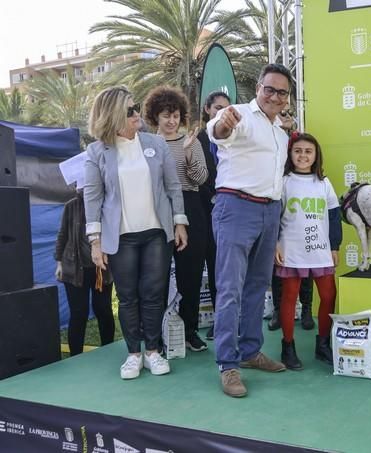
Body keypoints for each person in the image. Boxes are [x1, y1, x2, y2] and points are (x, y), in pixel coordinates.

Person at [84, 86, 188, 379]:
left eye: (136, 107)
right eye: (130, 110)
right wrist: (95, 241)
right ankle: (133, 354)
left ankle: (153, 352)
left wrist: (179, 223)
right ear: (113, 115)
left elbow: (172, 186)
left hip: (157, 232)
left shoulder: (156, 143)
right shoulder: (96, 152)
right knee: (128, 296)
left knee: (153, 294)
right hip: (122, 236)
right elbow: (92, 197)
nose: (136, 114)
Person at [207, 63, 294, 398]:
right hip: (236, 206)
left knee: (258, 286)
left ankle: (250, 351)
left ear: (287, 98)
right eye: (268, 89)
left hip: (269, 210)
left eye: (281, 92)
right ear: (258, 87)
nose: (274, 96)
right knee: (230, 289)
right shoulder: (239, 115)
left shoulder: (281, 133)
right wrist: (221, 125)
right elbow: (219, 130)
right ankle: (228, 365)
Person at [144, 86, 209, 352]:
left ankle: (190, 330)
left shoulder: (191, 142)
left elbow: (201, 178)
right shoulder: (146, 144)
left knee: (191, 275)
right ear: (155, 117)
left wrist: (190, 152)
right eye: (165, 115)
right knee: (156, 276)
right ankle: (156, 336)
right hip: (157, 209)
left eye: (175, 115)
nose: (171, 121)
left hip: (191, 206)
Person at [274, 132, 342, 370]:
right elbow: (273, 216)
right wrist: (275, 244)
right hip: (291, 249)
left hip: (321, 250)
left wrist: (335, 246)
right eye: (298, 151)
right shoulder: (283, 181)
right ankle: (288, 347)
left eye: (308, 151)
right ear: (290, 154)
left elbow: (334, 216)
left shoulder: (324, 183)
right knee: (290, 298)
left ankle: (323, 344)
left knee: (328, 296)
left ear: (316, 156)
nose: (303, 155)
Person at [55, 186, 115, 356]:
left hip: (101, 268)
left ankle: (108, 349)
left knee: (103, 309)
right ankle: (75, 356)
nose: (80, 187)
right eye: (78, 184)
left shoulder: (106, 204)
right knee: (79, 312)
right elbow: (62, 235)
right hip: (74, 269)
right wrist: (59, 262)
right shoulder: (71, 206)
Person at [196, 91, 231, 341]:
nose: (221, 112)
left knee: (226, 271)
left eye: (226, 109)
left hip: (231, 214)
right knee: (208, 268)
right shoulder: (196, 139)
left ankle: (227, 321)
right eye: (217, 107)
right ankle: (202, 326)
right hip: (203, 213)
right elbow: (198, 176)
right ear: (207, 109)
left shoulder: (234, 138)